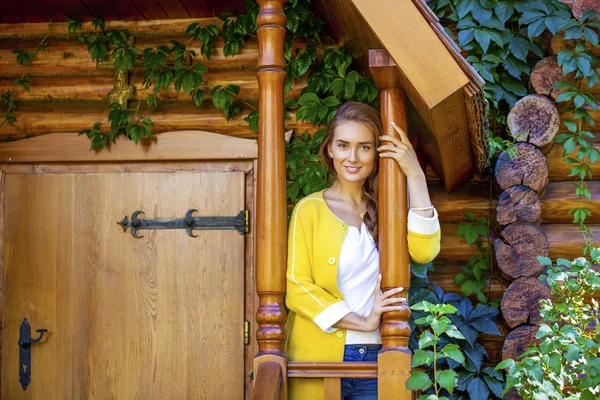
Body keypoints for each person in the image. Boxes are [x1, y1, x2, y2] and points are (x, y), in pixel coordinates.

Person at [285, 102, 441, 400]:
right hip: (318, 358)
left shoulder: (388, 210)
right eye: (343, 145)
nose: (352, 157)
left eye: (364, 147)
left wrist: (415, 175)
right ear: (329, 148)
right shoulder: (310, 210)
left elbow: (424, 251)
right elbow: (297, 288)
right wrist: (363, 321)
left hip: (376, 357)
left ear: (376, 153)